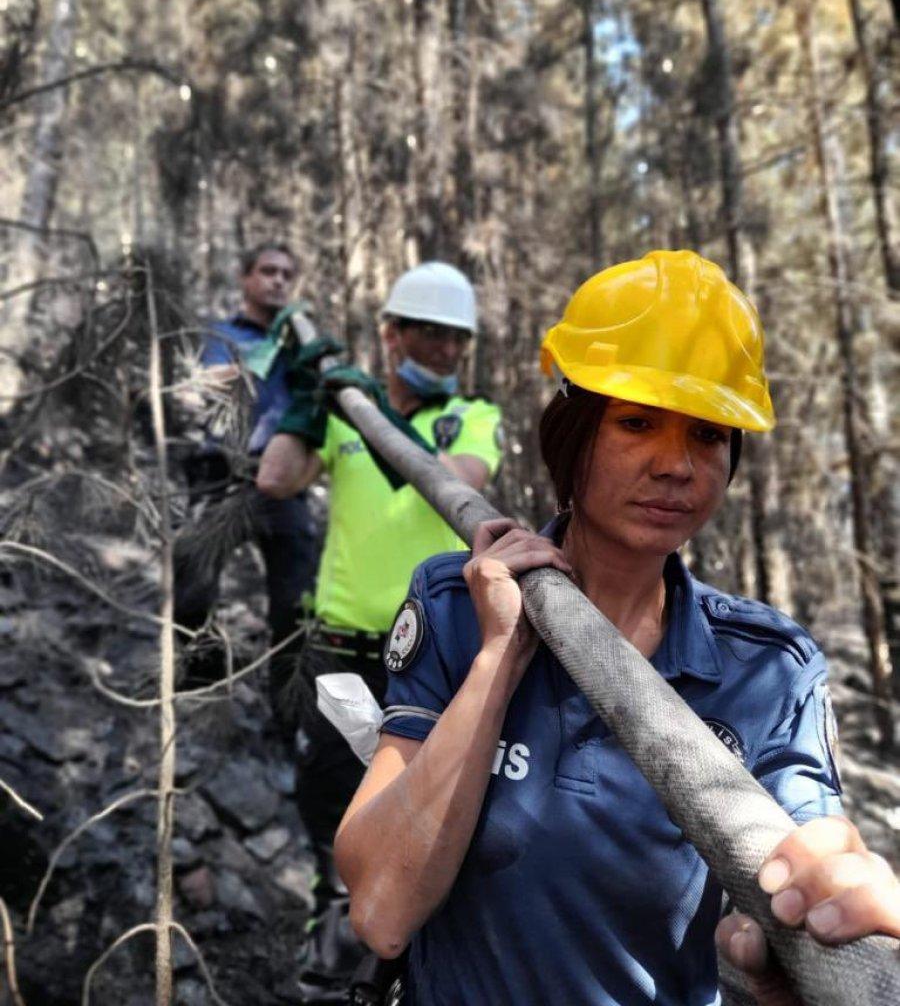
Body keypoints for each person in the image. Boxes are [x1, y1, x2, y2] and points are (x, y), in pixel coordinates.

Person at [332, 249, 900, 1005]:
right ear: (571, 435)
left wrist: (843, 893)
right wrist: (501, 656)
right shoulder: (455, 605)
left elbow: (813, 845)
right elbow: (381, 912)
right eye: (637, 423)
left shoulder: (767, 666)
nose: (676, 465)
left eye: (706, 435)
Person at [257, 260, 504, 997]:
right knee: (327, 797)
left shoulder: (474, 417)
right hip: (337, 648)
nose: (443, 351)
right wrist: (310, 400)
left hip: (430, 661)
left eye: (455, 339)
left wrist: (369, 407)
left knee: (423, 817)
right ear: (390, 331)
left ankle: (408, 962)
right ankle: (330, 946)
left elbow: (452, 480)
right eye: (427, 333)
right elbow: (275, 477)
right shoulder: (343, 411)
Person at [174, 242, 319, 727]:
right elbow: (205, 385)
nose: (277, 281)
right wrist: (254, 360)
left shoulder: (305, 339)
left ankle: (288, 710)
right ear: (245, 278)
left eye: (286, 273)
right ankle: (203, 684)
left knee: (296, 601)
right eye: (267, 271)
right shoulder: (220, 333)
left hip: (284, 484)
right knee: (193, 584)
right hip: (221, 471)